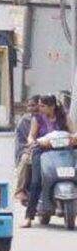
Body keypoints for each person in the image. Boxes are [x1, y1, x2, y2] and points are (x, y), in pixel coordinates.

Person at [21, 95, 76, 228]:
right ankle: (29, 217)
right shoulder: (37, 119)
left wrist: (73, 138)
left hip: (64, 151)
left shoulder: (64, 117)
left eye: (42, 106)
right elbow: (31, 136)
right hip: (42, 151)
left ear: (52, 106)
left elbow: (74, 132)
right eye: (39, 105)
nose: (39, 108)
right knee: (36, 181)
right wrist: (32, 143)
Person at [14, 95, 40, 205]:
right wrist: (28, 148)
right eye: (29, 106)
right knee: (25, 159)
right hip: (28, 149)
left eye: (33, 105)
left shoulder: (49, 118)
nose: (30, 108)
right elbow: (22, 141)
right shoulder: (25, 121)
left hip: (48, 149)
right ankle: (20, 190)